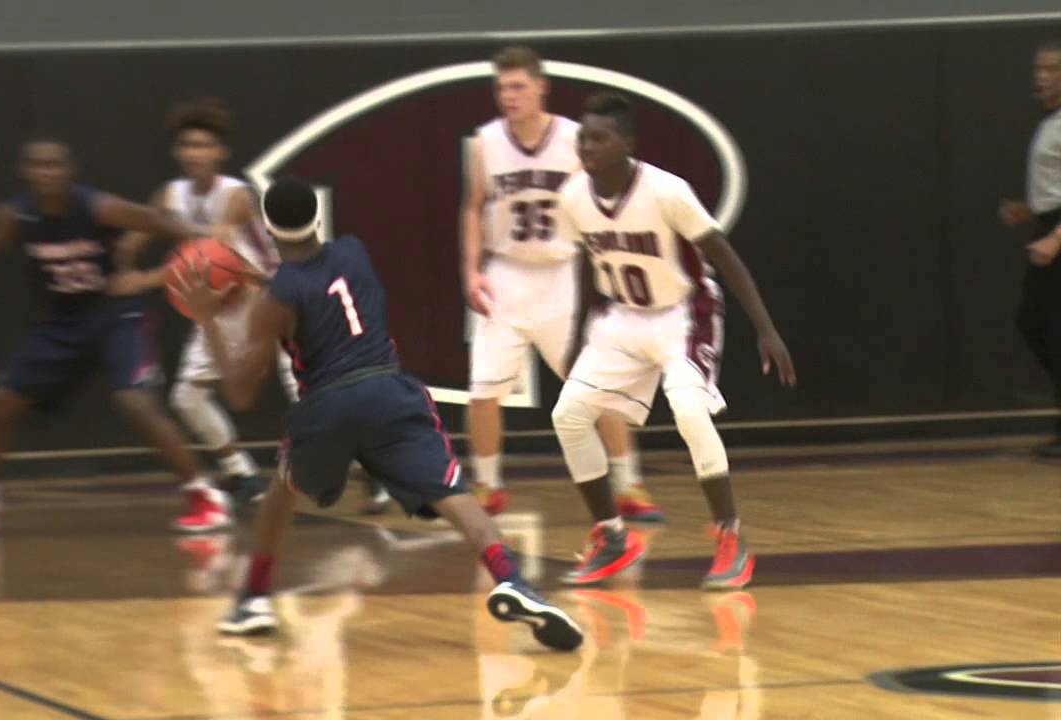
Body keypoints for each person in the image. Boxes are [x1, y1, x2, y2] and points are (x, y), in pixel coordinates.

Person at [179, 176, 583, 651]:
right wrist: (261, 282)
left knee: (279, 495)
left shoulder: (277, 299)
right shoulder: (354, 252)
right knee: (458, 497)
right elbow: (315, 284)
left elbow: (242, 392)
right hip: (390, 393)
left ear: (268, 228)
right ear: (317, 218)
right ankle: (513, 579)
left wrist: (207, 317)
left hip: (328, 405)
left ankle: (254, 600)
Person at [0, 139, 232, 535]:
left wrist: (201, 236)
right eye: (38, 166)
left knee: (134, 400)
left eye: (54, 165)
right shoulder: (15, 216)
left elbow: (158, 222)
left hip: (116, 315)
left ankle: (204, 495)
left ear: (69, 171)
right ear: (26, 172)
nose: (47, 172)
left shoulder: (98, 206)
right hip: (61, 325)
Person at [552, 93, 796, 590]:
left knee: (689, 410)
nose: (588, 146)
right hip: (622, 316)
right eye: (583, 137)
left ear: (627, 143)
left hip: (683, 314)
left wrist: (765, 328)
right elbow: (583, 263)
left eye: (600, 137)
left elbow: (724, 258)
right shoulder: (574, 197)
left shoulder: (667, 191)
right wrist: (578, 332)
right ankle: (610, 536)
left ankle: (730, 536)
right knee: (568, 414)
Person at [461, 46, 660, 522]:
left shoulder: (576, 139)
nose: (508, 96)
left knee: (601, 387)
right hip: (506, 276)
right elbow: (473, 205)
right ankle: (488, 486)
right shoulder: (484, 142)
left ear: (540, 86)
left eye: (517, 87)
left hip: (563, 276)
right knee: (483, 390)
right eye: (501, 87)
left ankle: (628, 484)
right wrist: (471, 270)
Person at [114, 97, 292, 506]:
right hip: (220, 307)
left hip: (271, 297)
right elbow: (132, 241)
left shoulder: (236, 196)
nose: (196, 153)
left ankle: (373, 468)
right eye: (189, 145)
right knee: (187, 398)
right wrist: (113, 266)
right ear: (179, 152)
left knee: (313, 394)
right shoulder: (169, 195)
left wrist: (141, 280)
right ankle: (241, 473)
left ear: (221, 153)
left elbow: (211, 257)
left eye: (205, 145)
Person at [1000, 41, 1061, 459]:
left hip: (1058, 233)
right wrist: (1029, 210)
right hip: (1047, 222)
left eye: (1051, 69)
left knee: (1051, 330)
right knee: (1037, 324)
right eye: (1038, 69)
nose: (1041, 76)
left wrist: (1056, 238)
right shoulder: (1050, 121)